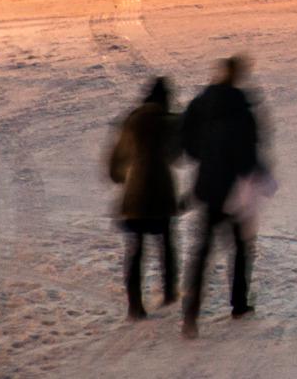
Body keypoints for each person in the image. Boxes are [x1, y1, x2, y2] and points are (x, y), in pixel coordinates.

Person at [179, 54, 264, 337]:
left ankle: (190, 313)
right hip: (235, 192)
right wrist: (256, 174)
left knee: (202, 251)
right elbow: (250, 150)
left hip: (209, 186)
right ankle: (238, 304)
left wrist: (203, 157)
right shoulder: (241, 108)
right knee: (240, 248)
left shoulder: (201, 103)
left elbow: (186, 140)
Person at [108, 77, 180, 319]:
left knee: (136, 249)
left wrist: (118, 174)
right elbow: (176, 153)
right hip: (160, 190)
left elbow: (119, 154)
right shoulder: (167, 121)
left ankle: (135, 305)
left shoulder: (133, 119)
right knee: (167, 243)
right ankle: (170, 292)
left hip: (136, 192)